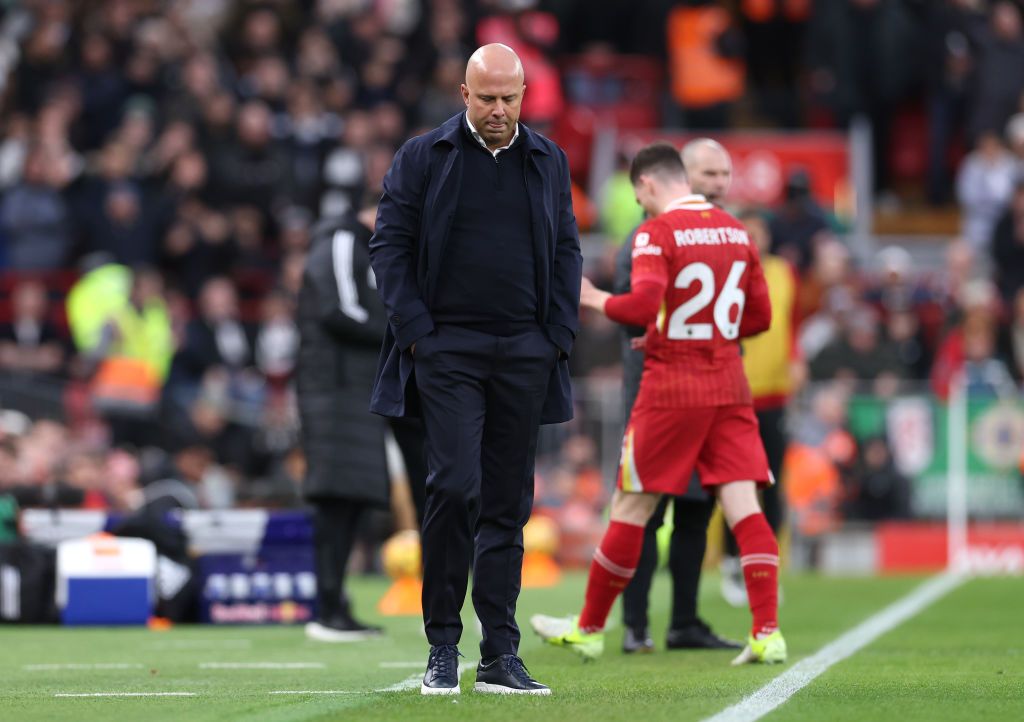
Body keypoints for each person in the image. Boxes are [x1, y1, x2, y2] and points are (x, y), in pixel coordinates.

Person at [368, 44, 581, 695]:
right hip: (447, 351)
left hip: (524, 351)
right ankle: (442, 645)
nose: (497, 109)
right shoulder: (422, 156)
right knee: (454, 487)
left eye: (508, 98)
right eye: (485, 97)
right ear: (463, 93)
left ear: (524, 95)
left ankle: (500, 652)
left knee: (509, 504)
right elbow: (389, 245)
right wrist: (419, 337)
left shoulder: (548, 159)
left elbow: (568, 247)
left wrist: (556, 337)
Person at [531, 142, 785, 666]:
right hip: (729, 386)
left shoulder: (655, 233)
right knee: (745, 506)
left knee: (631, 507)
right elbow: (759, 319)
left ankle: (590, 628)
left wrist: (593, 296)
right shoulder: (738, 232)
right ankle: (766, 632)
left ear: (647, 184)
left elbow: (643, 306)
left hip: (672, 388)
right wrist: (710, 331)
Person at [618, 138, 740, 654]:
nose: (718, 183)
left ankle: (684, 621)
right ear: (682, 178)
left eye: (724, 173)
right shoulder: (650, 235)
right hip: (659, 392)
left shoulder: (727, 234)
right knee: (647, 507)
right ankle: (635, 625)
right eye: (708, 173)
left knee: (695, 509)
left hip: (707, 393)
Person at [297, 204, 391, 641]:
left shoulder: (365, 246)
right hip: (332, 389)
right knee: (334, 499)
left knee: (352, 498)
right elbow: (339, 308)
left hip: (355, 387)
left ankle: (336, 603)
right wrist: (397, 331)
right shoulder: (339, 238)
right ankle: (325, 606)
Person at [719, 209, 804, 607]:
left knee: (772, 484)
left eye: (760, 233)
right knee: (734, 482)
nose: (756, 239)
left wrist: (796, 359)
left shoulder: (784, 272)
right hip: (735, 394)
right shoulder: (724, 272)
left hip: (775, 395)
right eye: (748, 233)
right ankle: (731, 562)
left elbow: (792, 324)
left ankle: (765, 565)